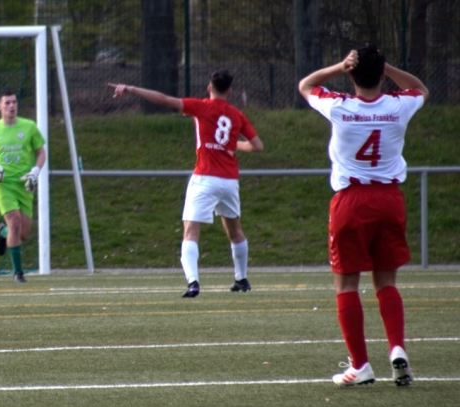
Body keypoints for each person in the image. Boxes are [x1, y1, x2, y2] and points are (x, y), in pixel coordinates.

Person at [298, 45, 426, 387]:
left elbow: (306, 85)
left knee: (346, 284)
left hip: (351, 201)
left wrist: (339, 66)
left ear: (352, 74)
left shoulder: (340, 106)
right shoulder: (399, 106)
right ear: (382, 74)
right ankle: (397, 348)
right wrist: (388, 67)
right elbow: (420, 88)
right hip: (389, 199)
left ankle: (361, 365)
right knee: (386, 282)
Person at [107, 70, 264, 298]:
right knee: (235, 231)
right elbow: (258, 146)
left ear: (209, 88)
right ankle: (241, 279)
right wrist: (232, 145)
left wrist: (131, 89)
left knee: (190, 232)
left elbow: (163, 99)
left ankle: (193, 282)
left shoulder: (200, 107)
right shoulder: (236, 115)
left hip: (205, 178)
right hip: (229, 181)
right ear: (230, 91)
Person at [0, 89, 46, 283]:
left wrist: (35, 171)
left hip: (25, 184)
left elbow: (41, 153)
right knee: (14, 222)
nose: (11, 106)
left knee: (22, 234)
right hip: (3, 185)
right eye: (7, 103)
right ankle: (18, 273)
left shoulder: (29, 127)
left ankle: (3, 232)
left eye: (14, 102)